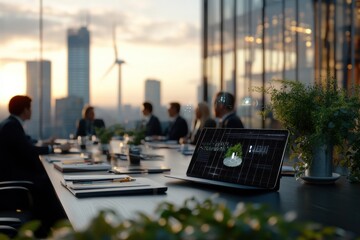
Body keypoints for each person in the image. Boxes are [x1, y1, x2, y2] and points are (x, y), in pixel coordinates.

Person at [0, 95, 69, 237]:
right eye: (30, 108)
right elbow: (28, 150)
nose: (31, 111)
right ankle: (54, 227)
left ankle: (54, 227)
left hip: (13, 175)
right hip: (14, 182)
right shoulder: (12, 126)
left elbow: (26, 141)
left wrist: (44, 143)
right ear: (25, 110)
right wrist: (55, 150)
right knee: (49, 184)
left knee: (49, 181)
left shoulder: (10, 123)